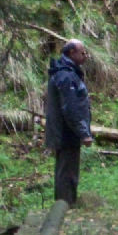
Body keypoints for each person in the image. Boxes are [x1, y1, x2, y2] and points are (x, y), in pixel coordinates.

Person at [45, 39, 93, 206]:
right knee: (67, 174)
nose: (85, 56)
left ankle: (64, 206)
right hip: (66, 133)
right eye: (82, 53)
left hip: (65, 132)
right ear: (71, 53)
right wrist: (84, 133)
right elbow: (71, 108)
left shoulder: (67, 73)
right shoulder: (66, 76)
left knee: (67, 172)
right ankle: (65, 208)